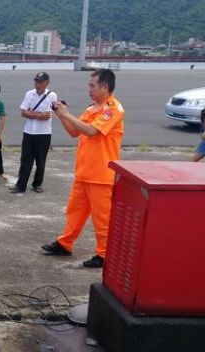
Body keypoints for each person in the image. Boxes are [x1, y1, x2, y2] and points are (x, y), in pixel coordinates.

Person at [41, 69, 124, 268]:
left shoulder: (112, 109)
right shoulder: (92, 109)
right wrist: (62, 115)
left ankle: (104, 254)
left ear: (105, 87)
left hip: (101, 175)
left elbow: (91, 131)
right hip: (84, 173)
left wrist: (67, 114)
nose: (89, 89)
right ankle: (65, 244)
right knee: (74, 213)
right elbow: (74, 132)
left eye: (92, 86)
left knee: (102, 218)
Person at [10, 72, 57, 193]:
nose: (38, 84)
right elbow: (23, 113)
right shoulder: (29, 94)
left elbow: (47, 116)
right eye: (36, 81)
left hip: (44, 133)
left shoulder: (52, 96)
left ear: (47, 82)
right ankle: (21, 185)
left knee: (41, 161)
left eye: (40, 81)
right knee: (25, 160)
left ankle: (37, 184)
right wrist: (37, 114)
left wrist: (31, 113)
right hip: (29, 132)